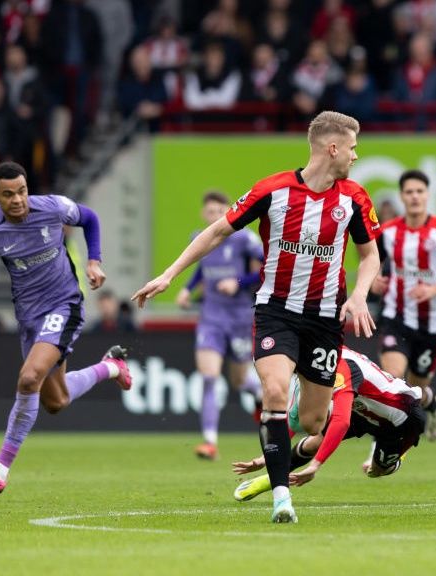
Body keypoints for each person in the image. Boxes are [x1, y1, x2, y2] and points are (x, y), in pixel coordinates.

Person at [131, 111, 381, 524]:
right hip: (276, 312)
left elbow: (370, 255)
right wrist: (170, 274)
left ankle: (285, 420)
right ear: (332, 148)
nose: (356, 156)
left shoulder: (354, 198)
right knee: (275, 392)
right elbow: (216, 232)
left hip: (323, 320)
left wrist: (358, 295)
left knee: (315, 421)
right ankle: (282, 497)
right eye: (352, 147)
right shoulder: (273, 190)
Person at [0, 161, 132, 496]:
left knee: (28, 378)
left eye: (22, 191)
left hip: (63, 305)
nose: (18, 200)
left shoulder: (52, 207)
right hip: (29, 317)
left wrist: (94, 260)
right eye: (8, 194)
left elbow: (90, 218)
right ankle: (110, 367)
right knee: (55, 400)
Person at [230, 345, 425, 501]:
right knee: (315, 439)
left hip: (401, 421)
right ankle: (275, 479)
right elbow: (294, 419)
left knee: (377, 470)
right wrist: (268, 458)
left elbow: (341, 422)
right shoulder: (318, 362)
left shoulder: (341, 365)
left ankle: (400, 451)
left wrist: (316, 465)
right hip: (361, 410)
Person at [371, 169, 436, 442]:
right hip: (395, 316)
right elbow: (369, 262)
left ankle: (433, 404)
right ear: (402, 196)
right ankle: (384, 444)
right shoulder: (388, 232)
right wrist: (373, 281)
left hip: (432, 324)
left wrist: (433, 289)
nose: (415, 197)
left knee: (415, 392)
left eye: (419, 191)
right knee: (392, 380)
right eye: (409, 192)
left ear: (427, 195)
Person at [175, 191, 265, 461]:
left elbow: (265, 269)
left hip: (239, 317)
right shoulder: (199, 238)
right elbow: (202, 268)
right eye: (210, 212)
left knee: (239, 380)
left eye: (219, 212)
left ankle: (259, 393)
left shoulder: (244, 239)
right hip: (211, 317)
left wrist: (238, 282)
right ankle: (210, 442)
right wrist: (187, 289)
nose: (215, 216)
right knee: (209, 376)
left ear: (228, 211)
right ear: (205, 214)